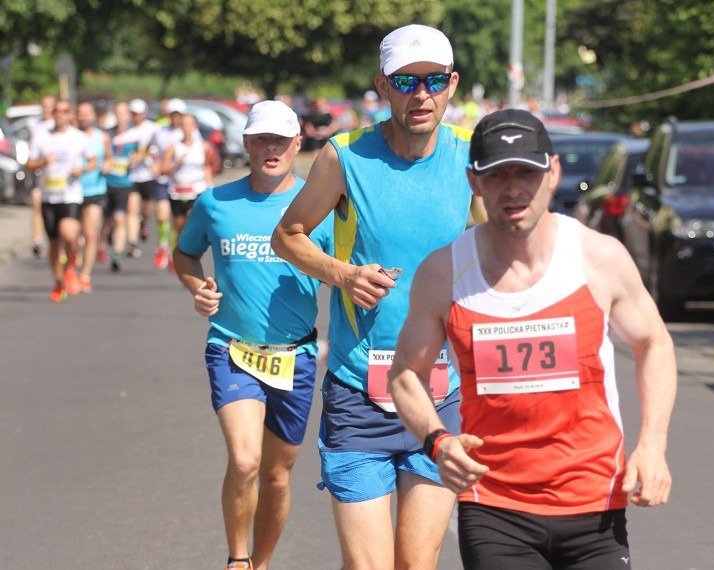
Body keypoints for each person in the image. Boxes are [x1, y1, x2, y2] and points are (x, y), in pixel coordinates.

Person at [387, 109, 677, 569]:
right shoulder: (444, 273)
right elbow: (405, 374)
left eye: (526, 171)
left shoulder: (598, 259)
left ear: (552, 173)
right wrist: (437, 441)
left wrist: (652, 445)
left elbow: (654, 343)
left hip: (594, 504)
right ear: (474, 181)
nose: (514, 188)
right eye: (497, 175)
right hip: (494, 505)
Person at [273, 24, 485, 570]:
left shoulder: (471, 160)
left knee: (416, 564)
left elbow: (498, 255)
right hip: (358, 391)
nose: (421, 95)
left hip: (441, 391)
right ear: (382, 87)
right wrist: (343, 274)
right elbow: (287, 236)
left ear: (452, 85)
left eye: (433, 81)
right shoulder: (344, 157)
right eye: (405, 82)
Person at [173, 100, 334, 570]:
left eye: (280, 141)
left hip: (296, 355)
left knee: (278, 477)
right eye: (262, 139)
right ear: (246, 143)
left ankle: (260, 564)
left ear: (297, 145)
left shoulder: (319, 205)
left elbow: (340, 270)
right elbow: (184, 256)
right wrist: (197, 287)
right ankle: (237, 560)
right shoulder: (214, 202)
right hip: (232, 347)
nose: (271, 149)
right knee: (245, 462)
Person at [26, 100, 97, 302]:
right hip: (49, 196)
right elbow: (29, 163)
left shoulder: (79, 138)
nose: (60, 114)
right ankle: (58, 281)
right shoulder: (42, 136)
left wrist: (80, 170)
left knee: (69, 233)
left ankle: (72, 262)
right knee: (54, 244)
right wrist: (42, 162)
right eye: (56, 111)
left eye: (65, 111)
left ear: (70, 114)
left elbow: (93, 161)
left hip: (71, 195)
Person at [76, 101, 112, 292]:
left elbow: (109, 157)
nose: (84, 117)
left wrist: (107, 164)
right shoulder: (71, 136)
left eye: (87, 113)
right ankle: (73, 264)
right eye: (80, 113)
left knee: (91, 234)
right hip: (72, 191)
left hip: (95, 190)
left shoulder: (102, 137)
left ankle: (85, 275)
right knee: (74, 235)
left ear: (93, 116)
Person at [161, 114, 213, 246]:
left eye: (189, 124)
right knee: (179, 228)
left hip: (196, 190)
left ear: (195, 126)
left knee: (190, 221)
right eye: (183, 124)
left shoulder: (203, 146)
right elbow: (163, 169)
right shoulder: (174, 147)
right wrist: (176, 164)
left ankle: (189, 252)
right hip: (177, 191)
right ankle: (175, 255)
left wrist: (209, 183)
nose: (186, 128)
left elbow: (206, 166)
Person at [149, 98, 186, 270]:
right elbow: (151, 151)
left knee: (178, 222)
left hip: (181, 183)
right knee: (162, 215)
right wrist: (154, 164)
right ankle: (162, 246)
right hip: (164, 180)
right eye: (173, 114)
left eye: (179, 115)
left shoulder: (187, 133)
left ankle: (173, 251)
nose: (176, 118)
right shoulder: (160, 132)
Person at [104, 101, 141, 272]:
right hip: (105, 182)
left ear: (128, 115)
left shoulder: (135, 135)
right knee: (106, 221)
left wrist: (137, 158)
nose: (120, 116)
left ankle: (117, 254)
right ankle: (103, 245)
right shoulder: (107, 134)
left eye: (123, 113)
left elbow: (143, 153)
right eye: (117, 112)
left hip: (124, 183)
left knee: (120, 218)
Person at [127, 98, 160, 256]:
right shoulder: (126, 129)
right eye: (133, 113)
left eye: (138, 113)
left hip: (147, 175)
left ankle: (144, 223)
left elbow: (157, 150)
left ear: (144, 113)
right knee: (132, 209)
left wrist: (143, 156)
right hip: (131, 176)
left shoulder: (153, 129)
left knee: (146, 210)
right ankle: (132, 242)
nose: (136, 116)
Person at [28, 94, 56, 258]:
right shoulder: (33, 123)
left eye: (49, 106)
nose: (46, 110)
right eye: (43, 106)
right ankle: (37, 239)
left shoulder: (57, 124)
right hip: (39, 170)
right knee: (37, 205)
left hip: (55, 174)